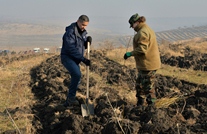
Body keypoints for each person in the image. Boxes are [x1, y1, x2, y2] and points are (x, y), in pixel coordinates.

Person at [124, 13, 161, 107]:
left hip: (148, 65)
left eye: (132, 25)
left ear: (137, 22)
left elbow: (142, 49)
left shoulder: (142, 32)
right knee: (139, 85)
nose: (132, 27)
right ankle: (140, 104)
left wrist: (130, 53)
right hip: (146, 64)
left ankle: (151, 107)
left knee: (148, 86)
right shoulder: (146, 29)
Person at [61, 15, 92, 106]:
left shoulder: (82, 33)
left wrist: (88, 42)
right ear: (78, 21)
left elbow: (81, 46)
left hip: (75, 59)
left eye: (86, 25)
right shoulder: (70, 32)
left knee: (77, 77)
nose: (84, 27)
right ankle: (70, 99)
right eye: (82, 25)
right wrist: (83, 59)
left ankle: (70, 99)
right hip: (68, 57)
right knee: (77, 74)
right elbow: (71, 49)